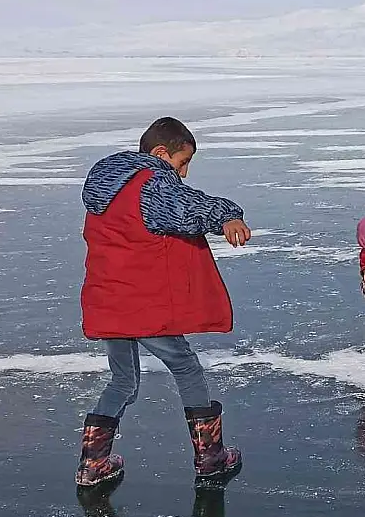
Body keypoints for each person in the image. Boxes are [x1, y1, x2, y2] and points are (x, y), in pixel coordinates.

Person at [76, 116, 250, 488]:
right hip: (143, 305)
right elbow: (190, 207)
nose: (184, 173)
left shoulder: (108, 186)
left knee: (122, 381)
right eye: (182, 162)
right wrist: (229, 216)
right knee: (186, 366)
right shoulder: (151, 185)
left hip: (108, 300)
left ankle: (93, 464)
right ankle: (211, 457)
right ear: (160, 154)